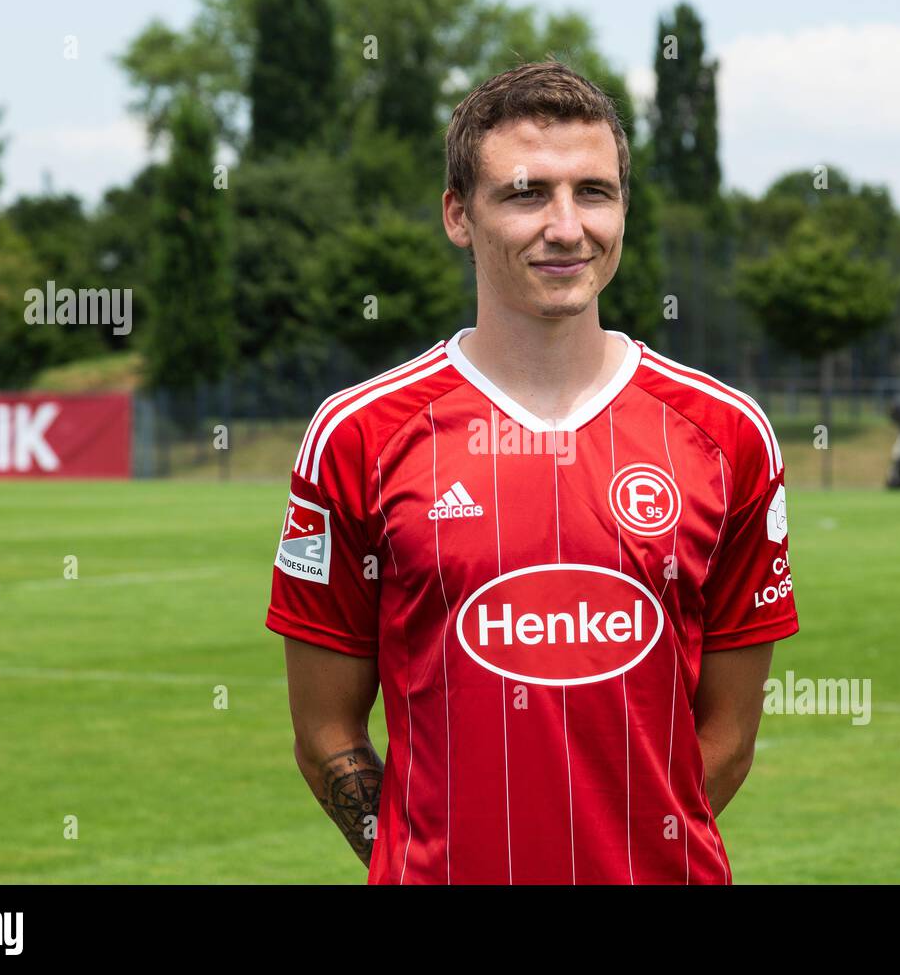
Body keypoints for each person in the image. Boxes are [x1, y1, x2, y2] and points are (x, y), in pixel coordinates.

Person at [266, 60, 798, 884]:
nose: (565, 226)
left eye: (594, 192)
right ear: (458, 215)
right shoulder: (357, 435)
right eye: (524, 194)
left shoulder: (728, 434)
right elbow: (325, 732)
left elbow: (725, 740)